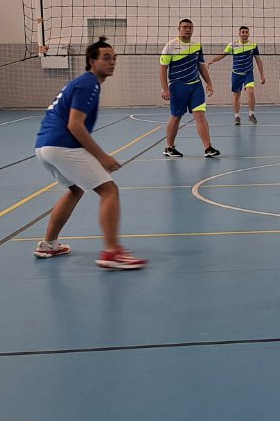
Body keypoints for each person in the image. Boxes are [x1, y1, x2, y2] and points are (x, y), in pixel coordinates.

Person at [34, 37, 146, 269]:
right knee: (109, 190)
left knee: (75, 190)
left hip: (44, 146)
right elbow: (75, 125)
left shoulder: (85, 82)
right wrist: (101, 156)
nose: (112, 62)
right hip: (61, 145)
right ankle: (111, 253)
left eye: (114, 58)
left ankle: (49, 244)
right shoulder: (89, 84)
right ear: (92, 62)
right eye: (106, 58)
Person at [159, 18, 219, 159]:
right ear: (179, 28)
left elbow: (201, 66)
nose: (187, 29)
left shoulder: (197, 46)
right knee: (176, 116)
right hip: (178, 86)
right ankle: (169, 147)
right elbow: (163, 69)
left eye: (190, 27)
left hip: (196, 86)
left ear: (193, 29)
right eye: (184, 27)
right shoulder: (170, 46)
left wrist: (209, 83)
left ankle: (208, 148)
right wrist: (165, 88)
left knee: (200, 115)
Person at [206, 26, 264, 125]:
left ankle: (251, 115)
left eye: (246, 32)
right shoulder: (233, 44)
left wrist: (262, 75)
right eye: (243, 32)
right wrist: (211, 60)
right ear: (239, 33)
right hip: (236, 74)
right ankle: (237, 117)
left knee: (250, 91)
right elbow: (222, 54)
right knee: (237, 95)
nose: (244, 34)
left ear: (249, 34)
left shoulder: (253, 45)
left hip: (248, 73)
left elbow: (258, 60)